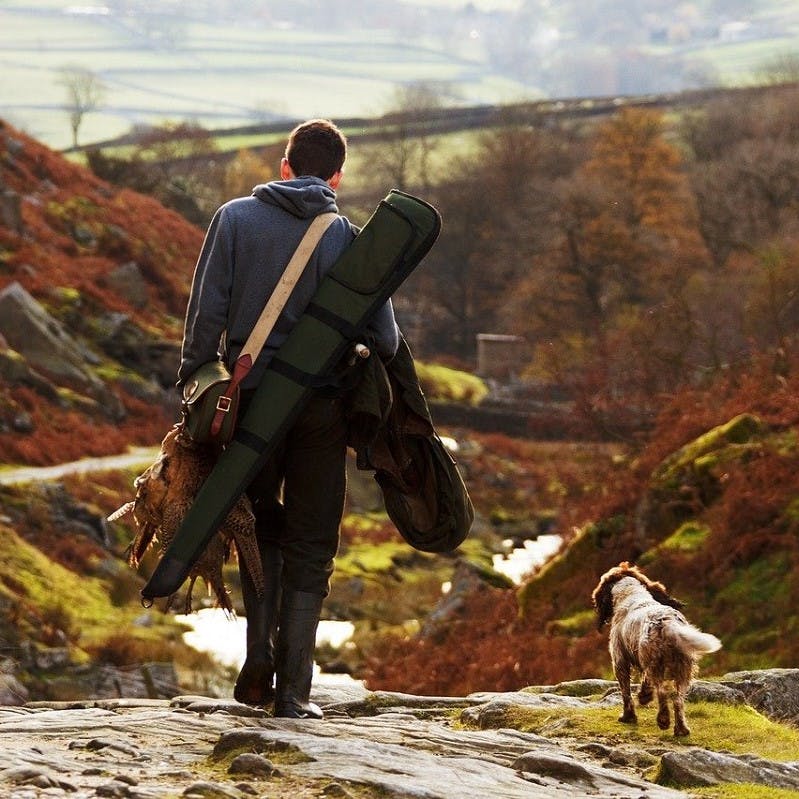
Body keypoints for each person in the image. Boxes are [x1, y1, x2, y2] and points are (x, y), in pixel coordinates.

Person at [177, 119, 400, 718]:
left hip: (248, 406)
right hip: (320, 410)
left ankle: (256, 669)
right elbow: (383, 336)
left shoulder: (231, 219)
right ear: (336, 177)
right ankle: (295, 694)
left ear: (283, 166)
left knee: (256, 532)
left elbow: (205, 318)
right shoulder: (347, 238)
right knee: (310, 542)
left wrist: (199, 390)